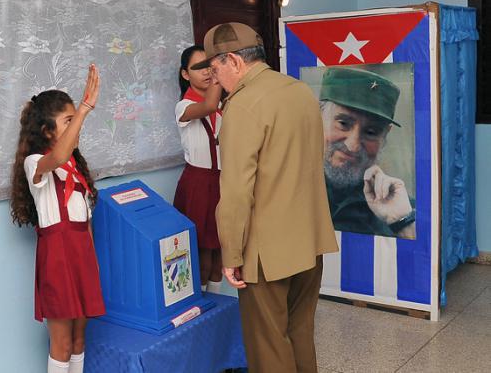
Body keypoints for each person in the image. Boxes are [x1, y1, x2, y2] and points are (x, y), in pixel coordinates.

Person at [192, 22, 338, 373]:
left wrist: (232, 252)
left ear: (234, 61)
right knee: (299, 333)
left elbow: (237, 192)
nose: (215, 80)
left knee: (268, 346)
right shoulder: (300, 91)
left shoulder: (242, 106)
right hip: (309, 239)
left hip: (267, 251)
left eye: (215, 70)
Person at [11, 65, 104, 373]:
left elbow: (86, 223)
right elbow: (57, 157)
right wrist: (86, 108)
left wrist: (91, 261)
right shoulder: (35, 162)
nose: (76, 126)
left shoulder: (76, 166)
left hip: (81, 255)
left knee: (79, 340)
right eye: (68, 121)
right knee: (61, 343)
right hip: (58, 258)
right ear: (48, 131)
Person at [319, 67, 416, 239]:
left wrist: (402, 222)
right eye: (343, 123)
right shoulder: (289, 187)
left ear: (385, 137)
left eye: (371, 132)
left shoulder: (401, 208)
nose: (353, 145)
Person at [173, 45, 224, 293]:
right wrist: (219, 73)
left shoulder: (224, 104)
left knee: (220, 253)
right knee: (201, 253)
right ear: (185, 75)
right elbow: (208, 106)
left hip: (222, 182)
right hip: (198, 184)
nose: (206, 72)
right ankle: (200, 308)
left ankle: (216, 308)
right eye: (200, 67)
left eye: (210, 66)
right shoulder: (183, 106)